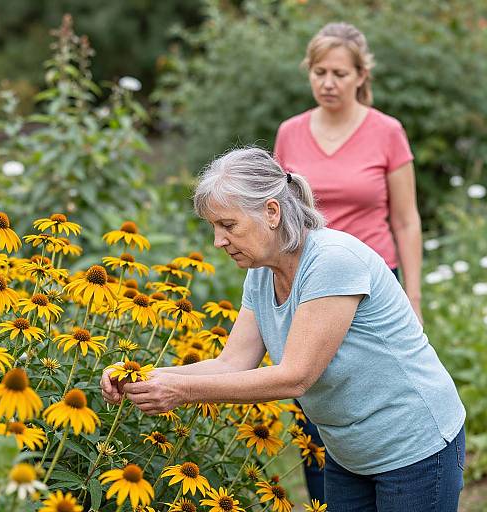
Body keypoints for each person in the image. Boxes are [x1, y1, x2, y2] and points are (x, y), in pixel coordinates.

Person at [101, 147, 465, 512]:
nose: (218, 241)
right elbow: (232, 363)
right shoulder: (261, 274)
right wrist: (143, 375)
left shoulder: (332, 261)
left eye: (228, 225)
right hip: (350, 453)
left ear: (271, 212)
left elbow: (296, 377)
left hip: (415, 446)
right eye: (214, 227)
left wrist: (181, 389)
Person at [273, 22, 423, 500]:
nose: (328, 82)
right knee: (311, 401)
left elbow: (406, 220)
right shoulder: (290, 133)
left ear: (361, 75)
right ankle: (323, 502)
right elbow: (276, 215)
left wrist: (413, 295)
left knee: (374, 403)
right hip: (309, 284)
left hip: (373, 291)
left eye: (339, 72)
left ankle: (390, 487)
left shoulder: (387, 132)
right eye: (319, 71)